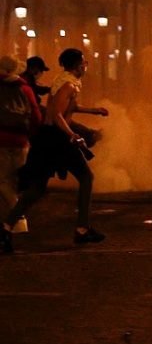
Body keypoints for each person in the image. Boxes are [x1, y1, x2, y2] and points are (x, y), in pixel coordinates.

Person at [1, 48, 107, 253]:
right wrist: (72, 135)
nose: (86, 65)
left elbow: (68, 107)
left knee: (38, 188)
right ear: (77, 65)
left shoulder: (65, 81)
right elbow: (57, 114)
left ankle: (5, 228)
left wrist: (95, 111)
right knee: (86, 177)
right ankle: (82, 229)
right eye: (84, 62)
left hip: (49, 138)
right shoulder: (68, 84)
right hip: (56, 139)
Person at [0, 55, 41, 238]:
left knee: (3, 181)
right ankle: (15, 217)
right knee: (17, 181)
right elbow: (36, 116)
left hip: (1, 141)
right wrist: (29, 135)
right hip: (21, 141)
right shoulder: (25, 88)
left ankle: (17, 218)